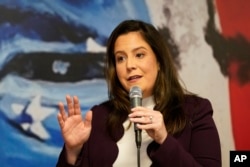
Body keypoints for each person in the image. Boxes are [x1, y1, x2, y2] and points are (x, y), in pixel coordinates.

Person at [56, 19, 221, 167]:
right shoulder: (98, 117)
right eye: (121, 58)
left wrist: (164, 139)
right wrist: (72, 152)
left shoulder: (196, 111)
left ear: (159, 61)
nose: (130, 65)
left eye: (139, 55)